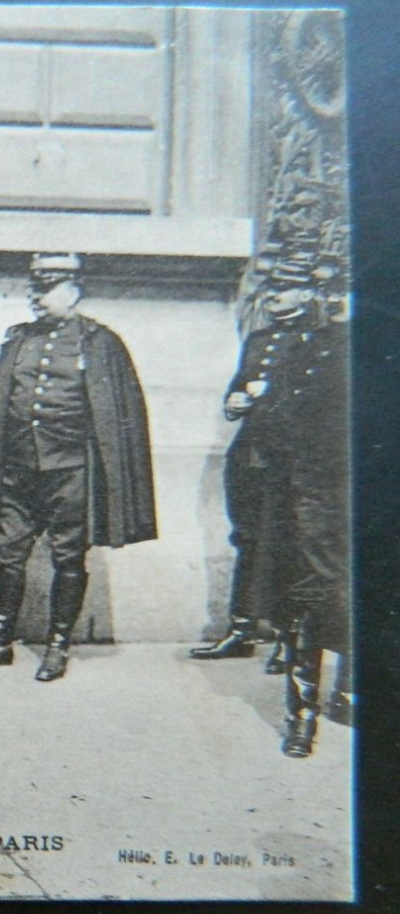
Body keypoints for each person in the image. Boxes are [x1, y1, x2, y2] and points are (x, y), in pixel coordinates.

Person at [0, 252, 157, 682]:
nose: (37, 297)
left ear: (74, 292)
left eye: (47, 290)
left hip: (71, 473)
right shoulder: (17, 339)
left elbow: (121, 417)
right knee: (6, 555)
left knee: (68, 558)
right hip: (16, 472)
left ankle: (57, 646)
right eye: (35, 289)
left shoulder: (100, 342)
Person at [189, 255, 311, 668]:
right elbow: (235, 391)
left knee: (291, 545)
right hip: (249, 457)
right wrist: (235, 400)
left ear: (306, 292)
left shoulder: (318, 340)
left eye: (285, 286)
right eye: (271, 286)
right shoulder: (258, 339)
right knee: (247, 540)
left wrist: (267, 396)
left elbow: (319, 404)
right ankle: (242, 629)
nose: (274, 294)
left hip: (290, 460)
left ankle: (289, 637)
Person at [255, 255, 350, 758]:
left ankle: (351, 692)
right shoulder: (305, 349)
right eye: (327, 291)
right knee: (311, 600)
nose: (333, 301)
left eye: (339, 291)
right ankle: (302, 717)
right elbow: (274, 420)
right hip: (315, 496)